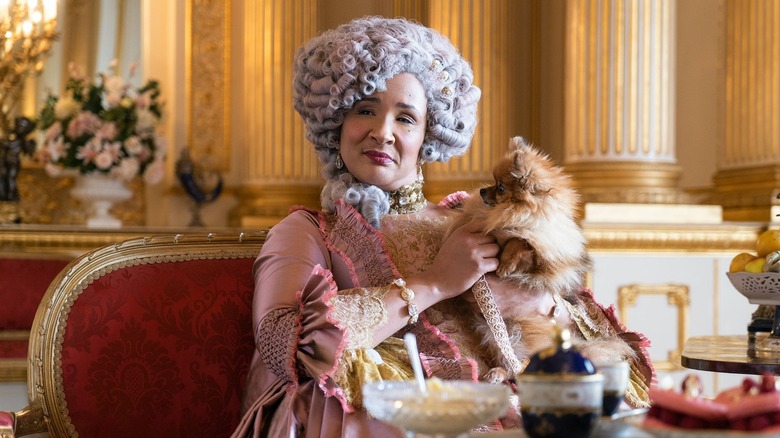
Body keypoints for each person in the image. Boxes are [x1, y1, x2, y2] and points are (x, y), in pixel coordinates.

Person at [233, 16, 654, 437]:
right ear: (337, 121)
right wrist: (434, 283)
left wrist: (540, 305)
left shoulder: (469, 216)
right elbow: (281, 343)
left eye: (406, 118)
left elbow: (585, 332)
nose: (383, 133)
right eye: (366, 110)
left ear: (428, 134)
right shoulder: (307, 231)